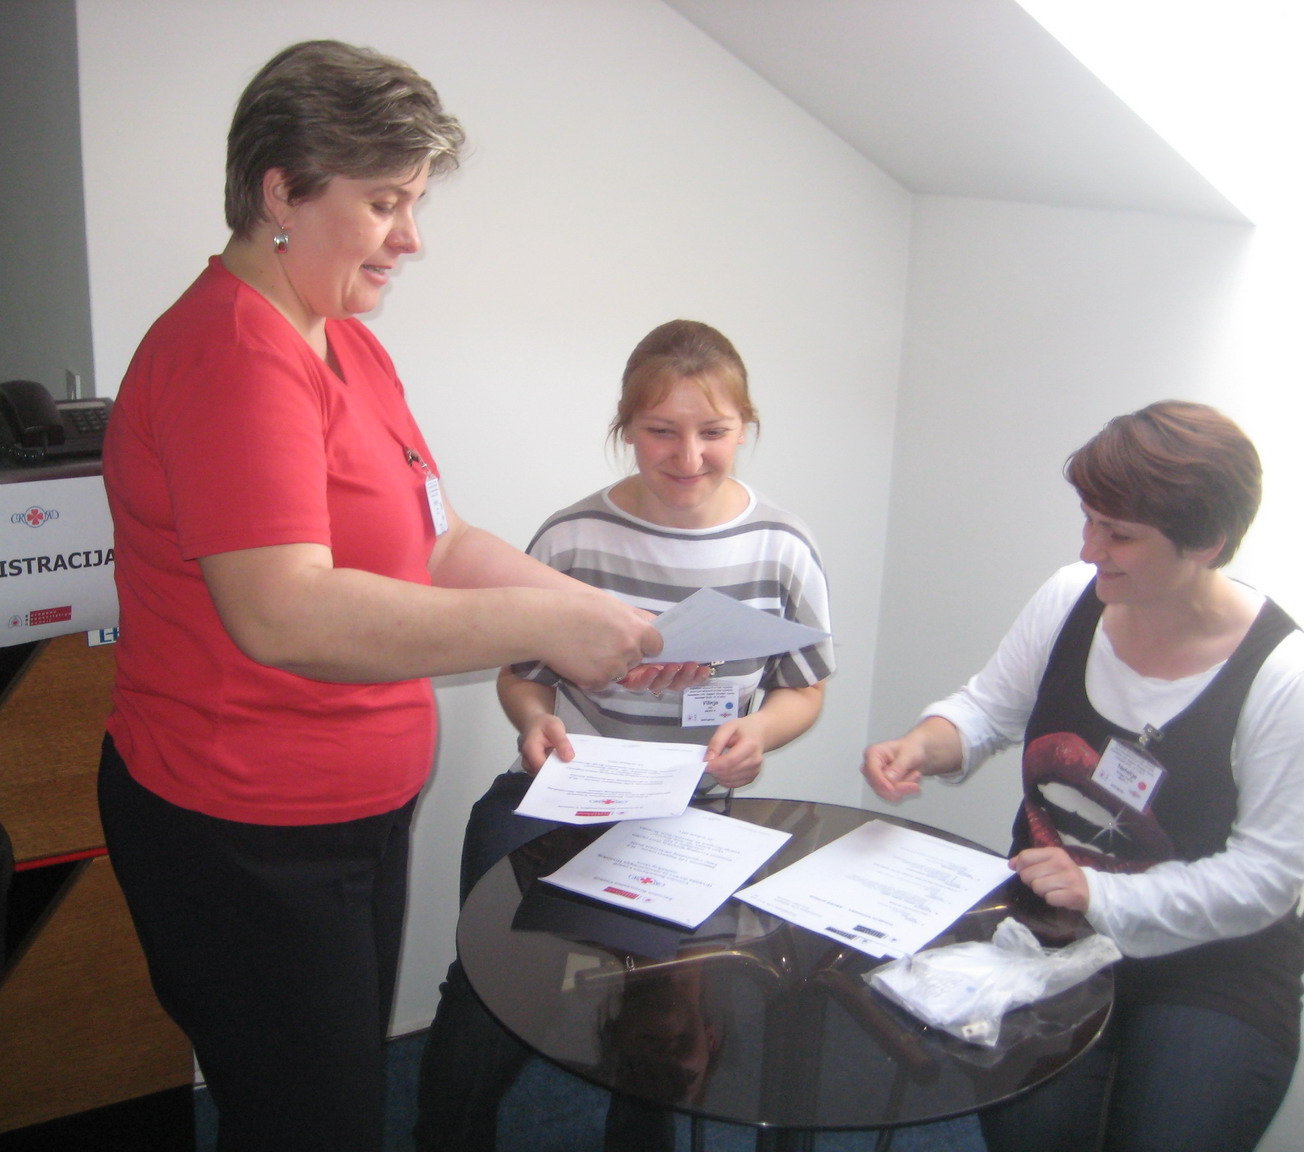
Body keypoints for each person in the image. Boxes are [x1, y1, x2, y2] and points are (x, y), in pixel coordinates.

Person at [96, 41, 660, 1152]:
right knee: (310, 1126)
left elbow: (435, 541)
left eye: (414, 203)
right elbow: (285, 612)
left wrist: (604, 615)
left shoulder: (343, 341)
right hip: (247, 832)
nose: (411, 237)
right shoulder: (233, 356)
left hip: (342, 814)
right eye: (385, 203)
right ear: (282, 194)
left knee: (326, 1104)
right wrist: (547, 625)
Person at [415, 319, 835, 1151]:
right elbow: (522, 674)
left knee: (667, 1006)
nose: (689, 457)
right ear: (625, 428)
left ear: (745, 427)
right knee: (493, 984)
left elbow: (805, 688)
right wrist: (534, 720)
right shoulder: (572, 536)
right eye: (661, 431)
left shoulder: (781, 546)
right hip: (566, 791)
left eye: (714, 431)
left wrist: (758, 730)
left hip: (691, 806)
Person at [862, 401, 1304, 1152]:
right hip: (1053, 933)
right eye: (1090, 520)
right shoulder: (1071, 597)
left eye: (1119, 534)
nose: (1090, 547)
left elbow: (1267, 879)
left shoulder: (1282, 675)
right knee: (1033, 1131)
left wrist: (1103, 893)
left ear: (1207, 543)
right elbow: (987, 709)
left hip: (1211, 964)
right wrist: (922, 745)